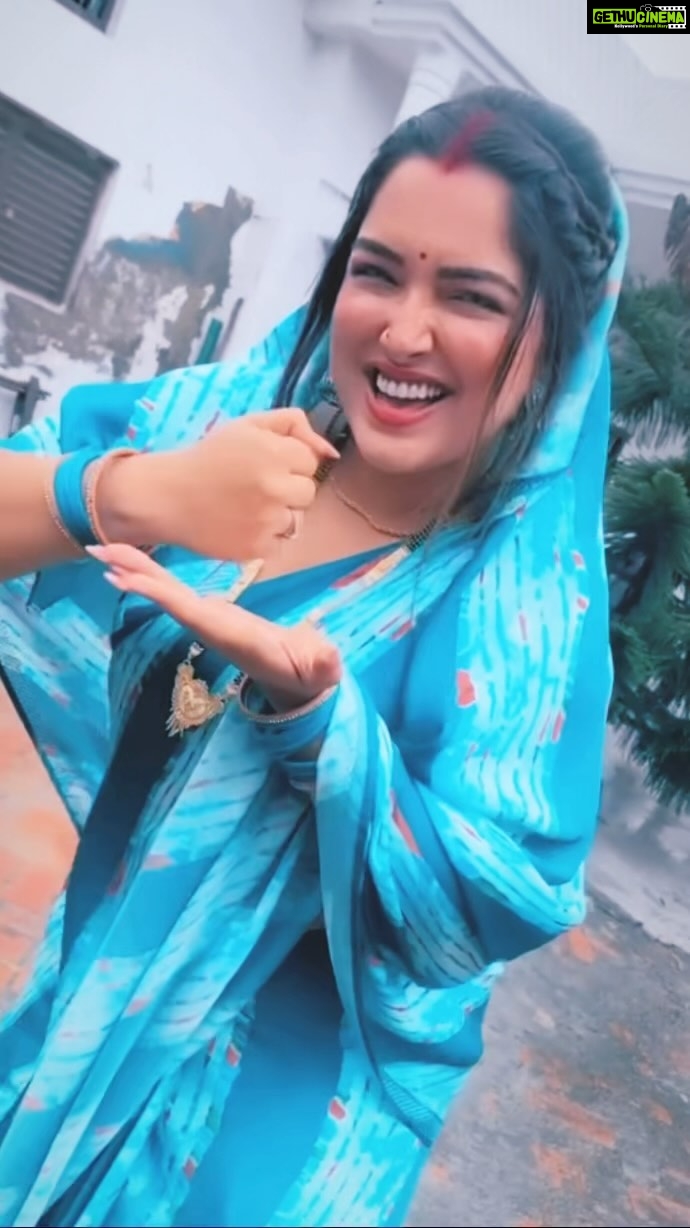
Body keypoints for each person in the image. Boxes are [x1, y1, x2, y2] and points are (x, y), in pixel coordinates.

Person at [0, 85, 626, 1228]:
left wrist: (320, 723)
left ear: (557, 343)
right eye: (377, 272)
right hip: (75, 1017)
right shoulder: (237, 429)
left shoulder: (520, 615)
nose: (403, 331)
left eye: (471, 296)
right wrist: (144, 492)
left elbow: (489, 903)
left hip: (262, 1150)